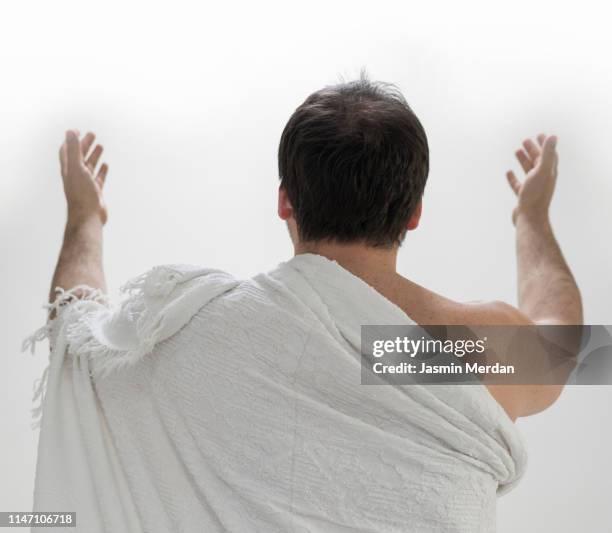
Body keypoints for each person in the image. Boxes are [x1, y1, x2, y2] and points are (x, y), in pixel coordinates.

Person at [31, 78, 582, 532]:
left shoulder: (198, 329)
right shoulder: (453, 351)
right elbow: (565, 346)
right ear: (414, 212)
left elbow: (75, 335)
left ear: (283, 200)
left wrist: (86, 217)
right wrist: (530, 219)